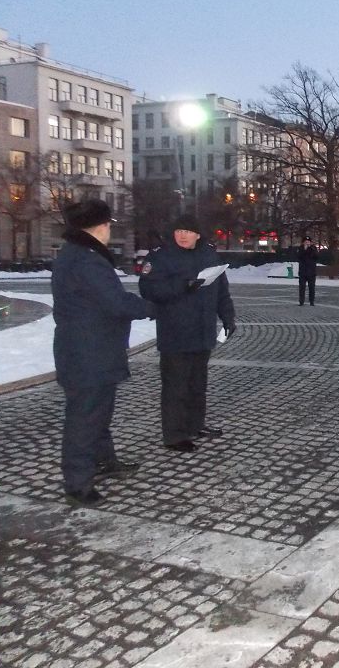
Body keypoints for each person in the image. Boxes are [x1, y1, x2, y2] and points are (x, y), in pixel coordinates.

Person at [53, 199, 154, 506]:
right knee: (85, 418)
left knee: (98, 413)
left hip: (87, 351)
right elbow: (116, 303)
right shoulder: (87, 261)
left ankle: (103, 461)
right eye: (109, 225)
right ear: (102, 226)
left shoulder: (75, 254)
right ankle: (78, 485)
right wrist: (153, 307)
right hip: (89, 354)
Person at [139, 214, 236, 452]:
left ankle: (195, 425)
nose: (183, 235)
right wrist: (182, 285)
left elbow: (222, 291)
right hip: (175, 332)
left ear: (198, 235)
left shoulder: (209, 255)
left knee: (197, 384)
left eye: (188, 231)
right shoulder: (161, 256)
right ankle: (174, 435)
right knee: (176, 386)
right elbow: (148, 289)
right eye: (179, 231)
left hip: (203, 331)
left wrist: (228, 317)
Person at [297, 236, 318, 306]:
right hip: (303, 272)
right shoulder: (300, 248)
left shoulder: (313, 248)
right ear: (303, 243)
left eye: (308, 242)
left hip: (311, 272)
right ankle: (301, 301)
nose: (307, 243)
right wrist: (304, 249)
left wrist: (311, 248)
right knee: (302, 288)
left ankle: (312, 301)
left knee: (312, 288)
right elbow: (299, 256)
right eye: (305, 242)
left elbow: (316, 256)